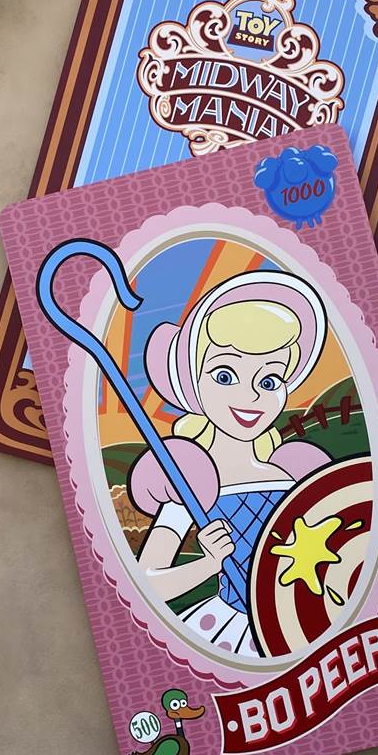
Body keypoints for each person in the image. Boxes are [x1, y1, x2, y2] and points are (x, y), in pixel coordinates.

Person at [129, 271, 332, 656]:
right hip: (234, 633)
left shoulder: (292, 474)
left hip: (300, 623)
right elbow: (147, 582)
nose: (250, 396)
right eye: (225, 375)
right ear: (193, 383)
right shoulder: (190, 480)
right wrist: (208, 564)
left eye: (269, 381)